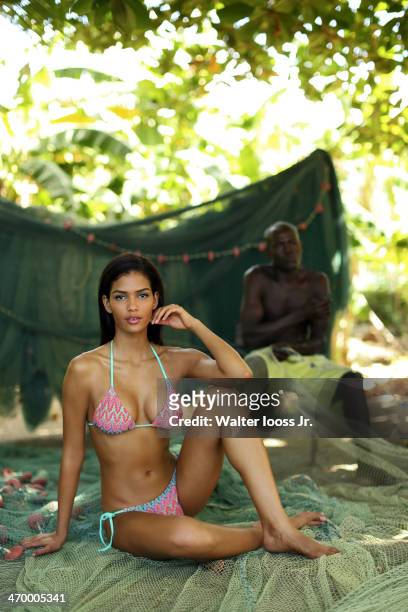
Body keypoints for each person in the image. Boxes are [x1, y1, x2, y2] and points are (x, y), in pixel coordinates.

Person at [20, 253, 339, 561]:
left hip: (182, 487)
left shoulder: (173, 359)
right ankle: (265, 532)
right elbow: (73, 453)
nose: (133, 306)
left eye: (142, 295)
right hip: (128, 513)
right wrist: (60, 532)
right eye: (121, 297)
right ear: (107, 303)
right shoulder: (85, 369)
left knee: (224, 399)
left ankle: (279, 525)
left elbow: (240, 375)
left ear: (155, 300)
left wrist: (195, 324)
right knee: (186, 538)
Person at [237, 221, 371, 438]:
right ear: (269, 250)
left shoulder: (317, 282)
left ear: (300, 246)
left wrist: (291, 347)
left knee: (352, 380)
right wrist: (299, 315)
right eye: (280, 244)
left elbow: (319, 342)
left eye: (292, 242)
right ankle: (245, 456)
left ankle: (369, 467)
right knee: (248, 373)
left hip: (300, 357)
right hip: (265, 355)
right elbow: (249, 336)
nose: (288, 249)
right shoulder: (257, 277)